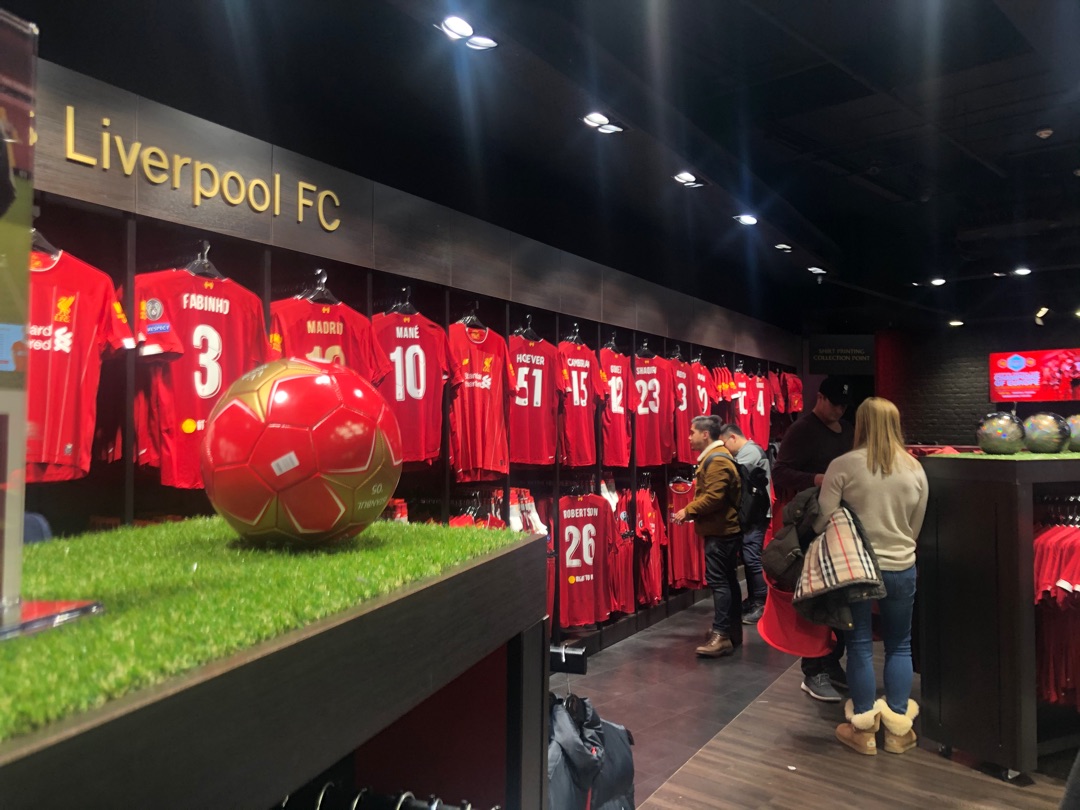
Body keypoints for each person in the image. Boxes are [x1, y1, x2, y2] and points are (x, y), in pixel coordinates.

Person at [817, 397, 928, 755]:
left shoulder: (842, 465)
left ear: (861, 423)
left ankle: (863, 729)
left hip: (856, 569)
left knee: (859, 645)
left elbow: (824, 520)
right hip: (901, 567)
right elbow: (915, 528)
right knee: (900, 643)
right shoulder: (915, 468)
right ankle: (897, 730)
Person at [771, 376, 854, 702]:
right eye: (834, 403)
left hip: (840, 522)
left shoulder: (846, 429)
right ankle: (813, 670)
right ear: (820, 398)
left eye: (843, 405)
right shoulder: (802, 430)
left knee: (839, 597)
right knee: (815, 597)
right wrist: (817, 479)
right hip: (809, 524)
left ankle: (831, 663)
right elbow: (780, 472)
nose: (839, 410)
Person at [673, 415, 743, 658]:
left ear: (705, 435)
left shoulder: (717, 460)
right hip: (722, 530)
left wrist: (688, 510)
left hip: (721, 532)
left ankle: (722, 635)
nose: (689, 437)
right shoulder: (717, 457)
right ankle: (730, 631)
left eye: (692, 432)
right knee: (728, 581)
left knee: (720, 582)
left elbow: (714, 497)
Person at [718, 423, 771, 623]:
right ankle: (755, 600)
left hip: (755, 515)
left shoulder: (750, 452)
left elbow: (730, 475)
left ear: (732, 437)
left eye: (724, 444)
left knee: (751, 557)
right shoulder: (747, 452)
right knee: (749, 557)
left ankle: (760, 603)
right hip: (751, 514)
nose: (725, 449)